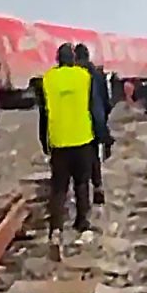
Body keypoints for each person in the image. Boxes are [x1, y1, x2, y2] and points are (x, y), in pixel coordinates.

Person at [37, 43, 105, 261]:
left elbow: (44, 113)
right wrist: (102, 135)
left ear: (57, 59)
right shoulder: (84, 77)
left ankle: (56, 230)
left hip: (59, 141)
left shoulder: (48, 79)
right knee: (81, 183)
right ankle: (82, 224)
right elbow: (94, 109)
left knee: (58, 188)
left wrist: (44, 140)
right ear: (73, 59)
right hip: (83, 139)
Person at [73, 43, 114, 205]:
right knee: (94, 157)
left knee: (80, 160)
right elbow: (104, 101)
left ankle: (82, 199)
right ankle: (98, 188)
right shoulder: (97, 74)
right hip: (96, 120)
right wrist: (103, 124)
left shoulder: (76, 75)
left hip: (80, 121)